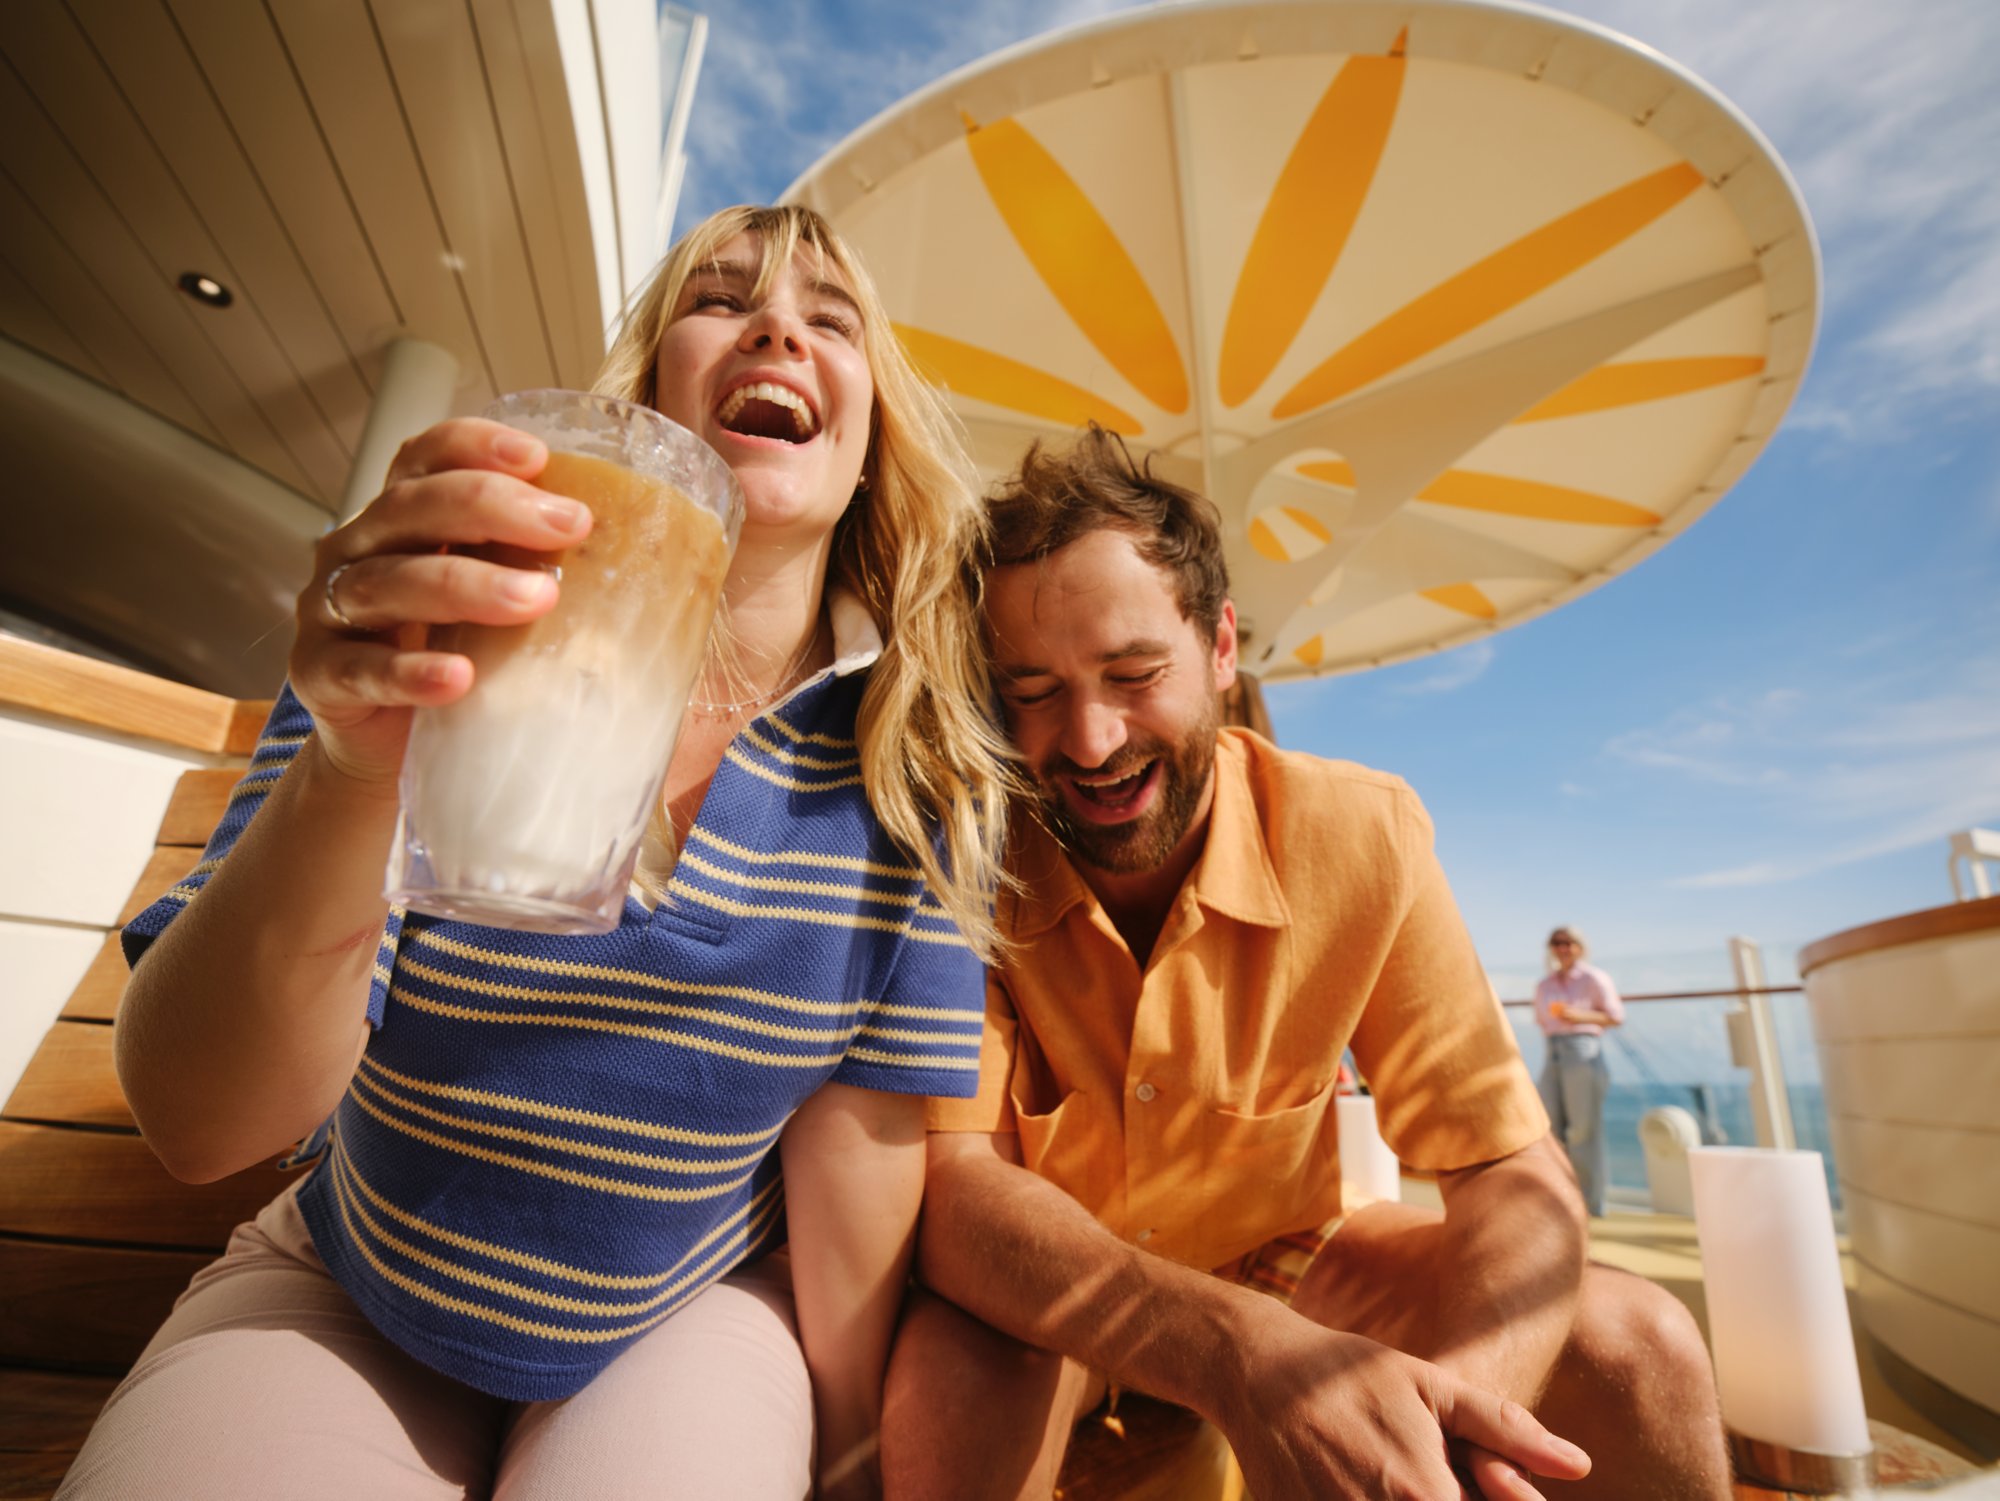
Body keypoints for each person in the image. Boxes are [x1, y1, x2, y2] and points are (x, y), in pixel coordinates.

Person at [59, 205, 1010, 1501]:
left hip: (685, 1314)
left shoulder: (914, 762)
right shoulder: (444, 621)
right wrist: (353, 769)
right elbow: (200, 1120)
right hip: (356, 1283)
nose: (778, 324)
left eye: (828, 319)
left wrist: (841, 1458)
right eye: (719, 300)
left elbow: (858, 1159)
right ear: (652, 394)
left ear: (869, 439)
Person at [880, 428, 1731, 1501]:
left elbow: (1507, 1173)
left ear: (1222, 647)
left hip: (1277, 1252)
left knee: (1638, 1345)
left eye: (1134, 673)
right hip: (1048, 1297)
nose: (1089, 740)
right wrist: (1240, 1355)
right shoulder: (960, 855)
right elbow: (959, 1198)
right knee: (950, 1409)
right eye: (1034, 691)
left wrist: (1454, 1418)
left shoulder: (1359, 833)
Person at [1534, 927, 1626, 1217]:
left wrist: (1579, 1015)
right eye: (1557, 943)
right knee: (1550, 1129)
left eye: (1568, 943)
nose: (1562, 948)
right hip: (1553, 1051)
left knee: (1584, 1131)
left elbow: (1615, 1017)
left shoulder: (1594, 978)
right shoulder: (1545, 984)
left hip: (1582, 1049)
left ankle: (1589, 1204)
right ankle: (1558, 1198)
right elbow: (1542, 1019)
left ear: (1579, 947)